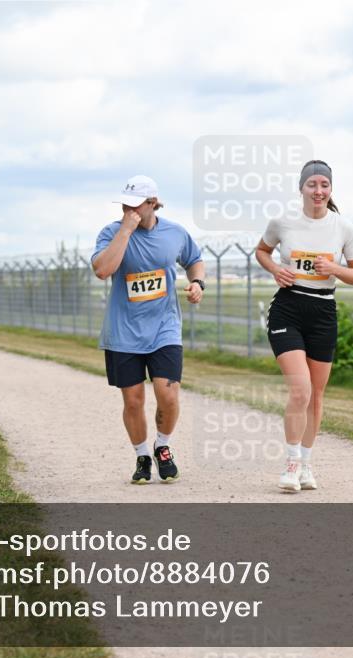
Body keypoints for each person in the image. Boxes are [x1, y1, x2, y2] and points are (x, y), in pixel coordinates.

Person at [254, 160, 353, 492]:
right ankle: (290, 465)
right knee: (300, 389)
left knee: (316, 396)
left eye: (324, 186)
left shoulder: (343, 227)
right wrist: (275, 269)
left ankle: (305, 464)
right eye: (312, 185)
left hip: (323, 313)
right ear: (301, 188)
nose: (318, 191)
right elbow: (261, 251)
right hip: (288, 309)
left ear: (331, 189)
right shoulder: (283, 222)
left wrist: (334, 267)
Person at [91, 175, 205, 484]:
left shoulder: (174, 233)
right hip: (123, 332)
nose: (127, 209)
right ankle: (142, 455)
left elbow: (195, 260)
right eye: (124, 204)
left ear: (152, 203)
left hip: (164, 328)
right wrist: (126, 230)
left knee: (167, 395)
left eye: (135, 204)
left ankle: (162, 447)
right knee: (133, 401)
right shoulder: (112, 233)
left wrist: (197, 282)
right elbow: (103, 269)